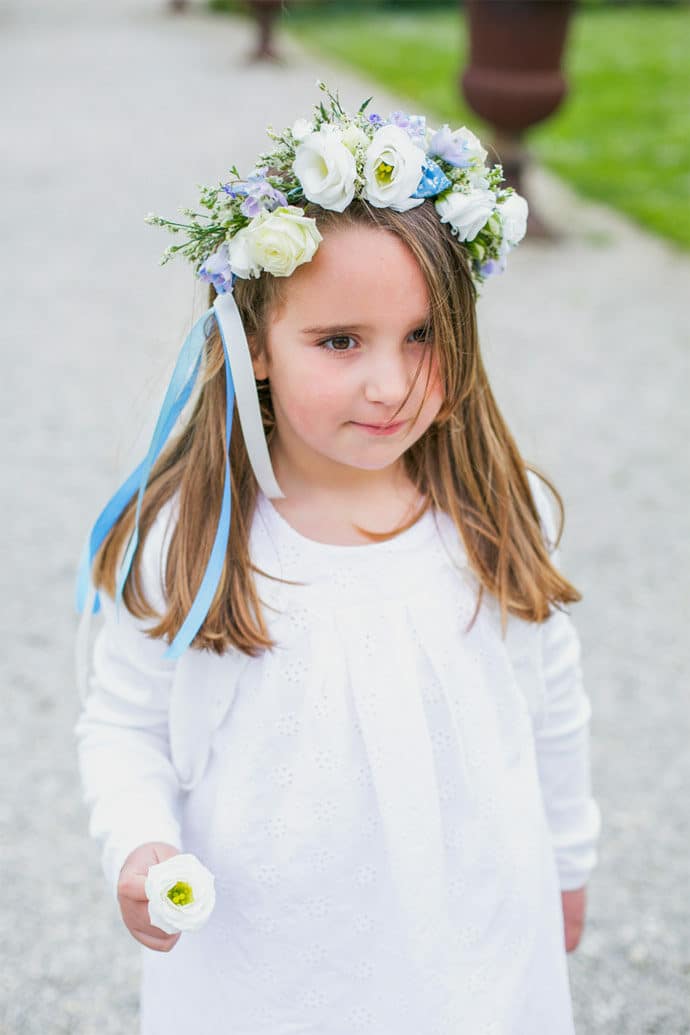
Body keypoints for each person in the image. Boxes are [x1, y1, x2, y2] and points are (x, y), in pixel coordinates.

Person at [74, 82, 602, 1034]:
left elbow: (551, 703)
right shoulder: (196, 535)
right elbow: (124, 721)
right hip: (265, 960)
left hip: (467, 937)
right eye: (341, 340)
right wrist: (140, 842)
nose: (391, 383)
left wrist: (568, 860)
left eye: (424, 336)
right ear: (255, 344)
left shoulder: (491, 514)